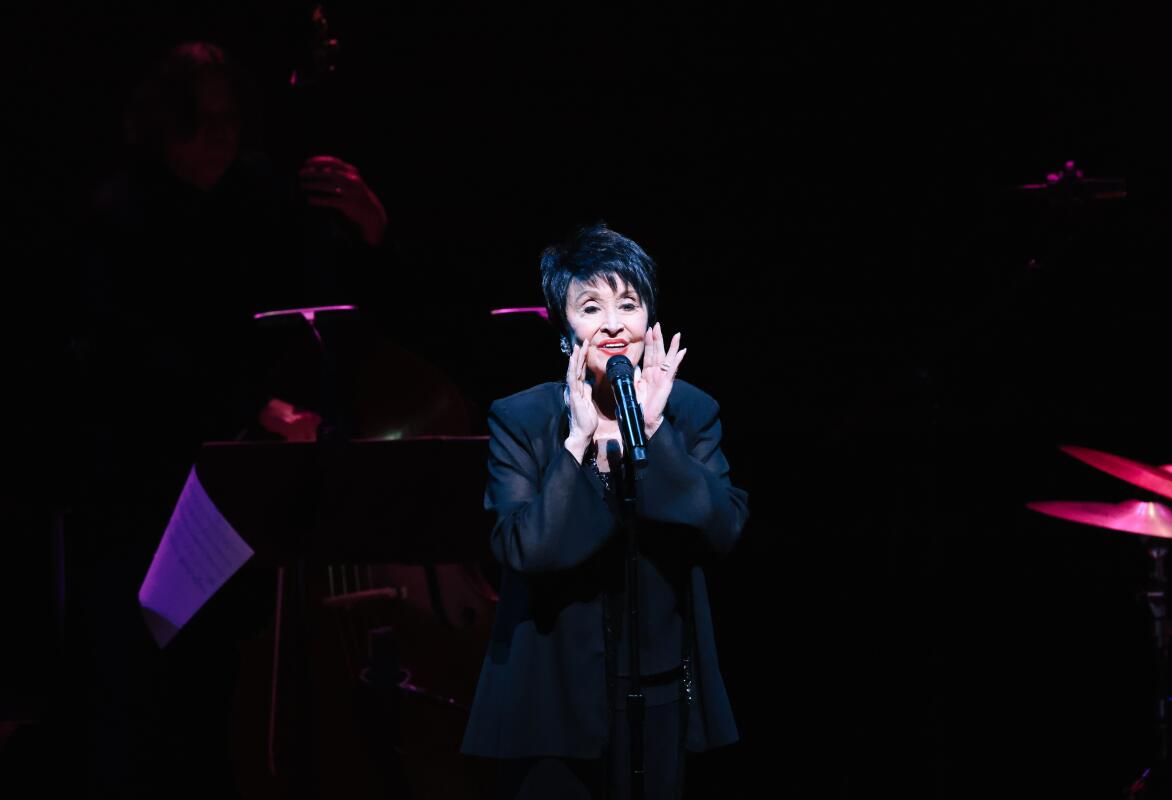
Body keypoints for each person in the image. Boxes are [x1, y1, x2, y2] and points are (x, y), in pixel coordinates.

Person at [65, 40, 394, 795]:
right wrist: (254, 408)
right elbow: (132, 359)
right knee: (153, 708)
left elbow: (330, 310)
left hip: (251, 507)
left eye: (229, 118)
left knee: (239, 704)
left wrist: (371, 235)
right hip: (148, 501)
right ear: (158, 126)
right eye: (197, 120)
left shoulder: (255, 198)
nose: (219, 135)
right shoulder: (120, 218)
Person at [461, 223, 749, 798]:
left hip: (662, 689)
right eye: (590, 306)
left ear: (650, 321)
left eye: (629, 304)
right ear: (565, 330)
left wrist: (654, 433)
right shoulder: (521, 420)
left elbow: (722, 527)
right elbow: (527, 549)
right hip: (551, 696)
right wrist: (577, 449)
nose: (614, 323)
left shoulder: (691, 412)